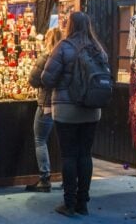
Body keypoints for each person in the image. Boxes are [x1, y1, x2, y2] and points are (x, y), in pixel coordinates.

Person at [41, 12, 106, 217]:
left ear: (70, 25)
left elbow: (47, 78)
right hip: (92, 110)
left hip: (66, 110)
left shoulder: (64, 47)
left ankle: (68, 203)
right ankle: (82, 202)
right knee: (85, 155)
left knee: (69, 155)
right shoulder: (98, 48)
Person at [25, 27, 63, 192]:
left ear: (48, 40)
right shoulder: (68, 58)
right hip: (64, 105)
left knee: (40, 140)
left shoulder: (46, 57)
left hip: (47, 104)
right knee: (63, 142)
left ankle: (45, 178)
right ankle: (67, 177)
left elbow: (33, 79)